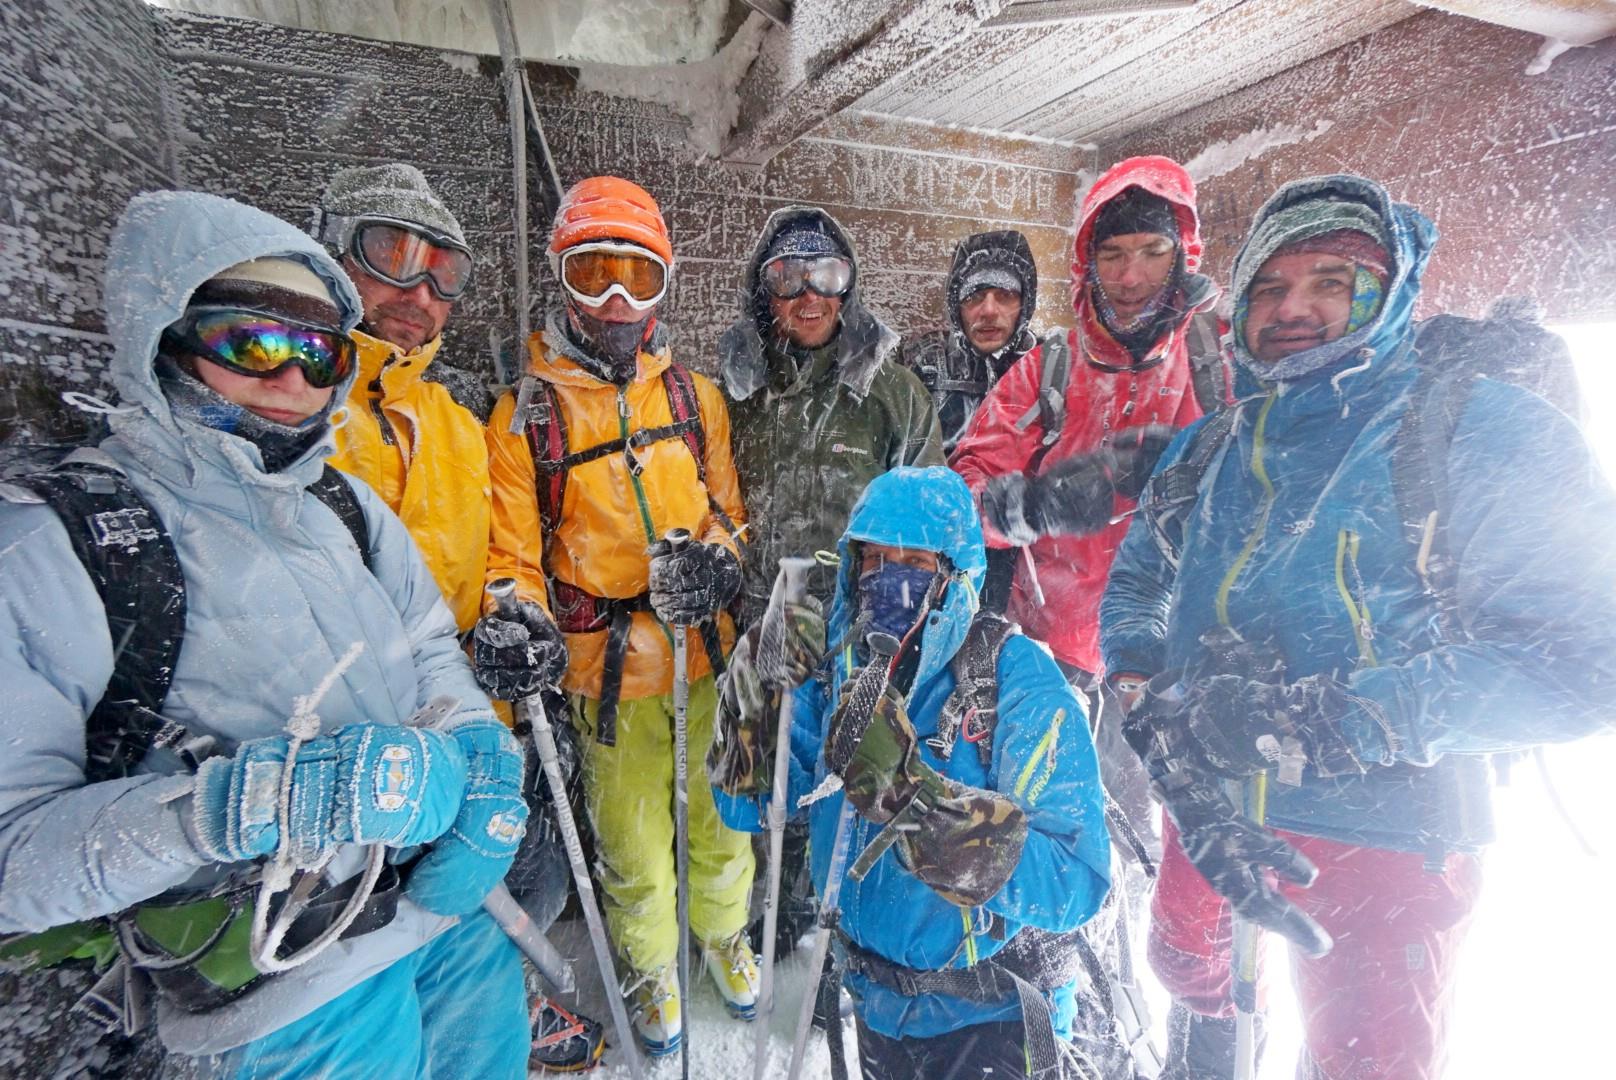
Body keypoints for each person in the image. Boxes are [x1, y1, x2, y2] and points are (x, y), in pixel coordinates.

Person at [0, 191, 529, 1076]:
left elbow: (430, 646)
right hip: (281, 979)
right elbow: (14, 859)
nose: (290, 379)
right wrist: (238, 807)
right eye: (250, 343)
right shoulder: (64, 545)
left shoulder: (340, 504)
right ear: (163, 338)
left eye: (318, 352)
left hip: (434, 914)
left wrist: (477, 745)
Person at [1100, 174, 1616, 1079]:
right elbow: (1136, 582)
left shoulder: (1477, 429)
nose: (1294, 308)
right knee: (1185, 965)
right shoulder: (1214, 446)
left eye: (1333, 282)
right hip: (1214, 798)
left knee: (1364, 1060)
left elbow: (1584, 661)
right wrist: (1148, 695)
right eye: (1270, 286)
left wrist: (1342, 716)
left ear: (1392, 293)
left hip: (1393, 828)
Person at [710, 466, 1111, 1078]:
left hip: (991, 1016)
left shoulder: (1010, 680)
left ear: (956, 574)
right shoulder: (839, 667)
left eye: (915, 564)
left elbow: (1076, 882)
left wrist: (916, 805)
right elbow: (750, 805)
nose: (887, 579)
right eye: (873, 559)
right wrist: (757, 693)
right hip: (878, 1006)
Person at [481, 175, 754, 1056]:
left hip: (705, 656)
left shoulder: (692, 398)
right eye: (593, 273)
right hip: (606, 675)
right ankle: (649, 963)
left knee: (722, 821)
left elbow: (730, 513)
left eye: (638, 278)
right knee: (633, 847)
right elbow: (511, 558)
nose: (615, 301)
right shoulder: (526, 418)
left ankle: (723, 934)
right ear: (560, 280)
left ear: (664, 288)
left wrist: (720, 562)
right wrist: (516, 617)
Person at [719, 206, 943, 962]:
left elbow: (924, 511)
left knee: (844, 776)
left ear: (849, 288)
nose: (810, 295)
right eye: (788, 278)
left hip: (856, 627)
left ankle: (830, 921)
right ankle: (766, 907)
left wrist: (902, 612)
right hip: (760, 620)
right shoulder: (738, 394)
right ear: (765, 293)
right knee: (757, 780)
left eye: (827, 276)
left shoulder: (892, 392)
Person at [315, 163, 489, 636]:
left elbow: (500, 556)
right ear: (334, 256)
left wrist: (510, 622)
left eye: (445, 275)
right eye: (392, 258)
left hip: (465, 699)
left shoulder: (465, 414)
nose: (420, 293)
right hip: (333, 699)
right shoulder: (286, 405)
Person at [897, 229, 1042, 612]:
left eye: (1005, 296)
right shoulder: (920, 364)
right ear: (956, 304)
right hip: (929, 555)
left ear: (1025, 303)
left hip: (1019, 575)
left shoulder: (1047, 370)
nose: (989, 310)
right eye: (975, 296)